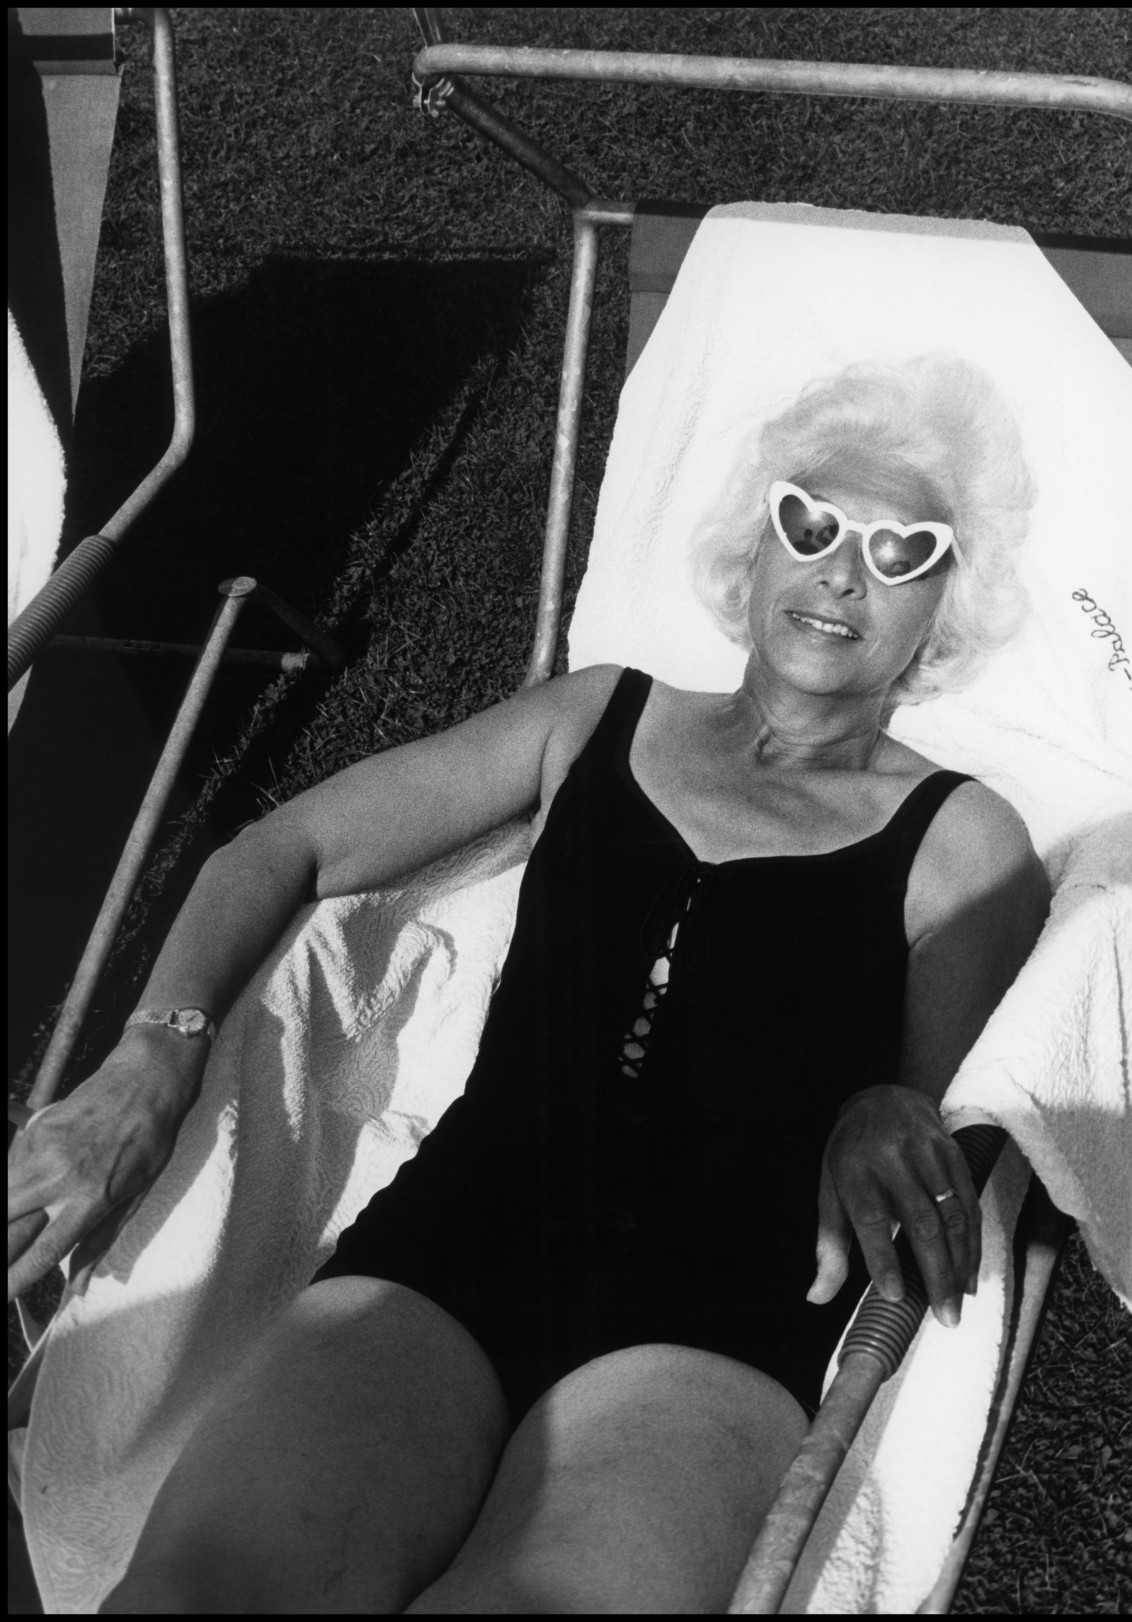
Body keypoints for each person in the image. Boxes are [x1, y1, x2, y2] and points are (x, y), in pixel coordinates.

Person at [8, 355, 1049, 1614]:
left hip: (716, 1318)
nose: (841, 572)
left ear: (945, 608)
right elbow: (283, 849)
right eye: (811, 522)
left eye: (902, 551)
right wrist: (153, 1056)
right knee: (196, 1593)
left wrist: (889, 1101)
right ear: (754, 547)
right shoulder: (593, 717)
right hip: (451, 1247)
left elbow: (937, 1106)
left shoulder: (962, 837)